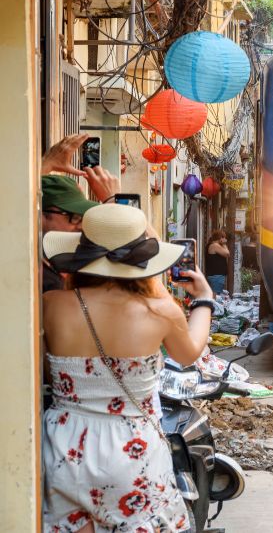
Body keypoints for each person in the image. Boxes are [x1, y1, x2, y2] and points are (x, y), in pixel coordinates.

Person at [41, 203, 214, 532]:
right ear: (144, 263)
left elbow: (45, 369)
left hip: (65, 445)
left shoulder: (51, 305)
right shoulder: (161, 311)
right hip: (132, 448)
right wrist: (204, 298)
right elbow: (190, 353)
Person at [40, 133, 120, 293]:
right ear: (40, 215)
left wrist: (46, 165)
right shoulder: (42, 278)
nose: (83, 227)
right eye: (75, 217)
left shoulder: (55, 264)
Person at [205, 230, 231, 295]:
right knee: (216, 297)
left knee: (217, 296)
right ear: (220, 238)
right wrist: (224, 244)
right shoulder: (214, 245)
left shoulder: (214, 245)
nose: (225, 239)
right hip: (216, 277)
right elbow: (227, 254)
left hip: (216, 276)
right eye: (224, 237)